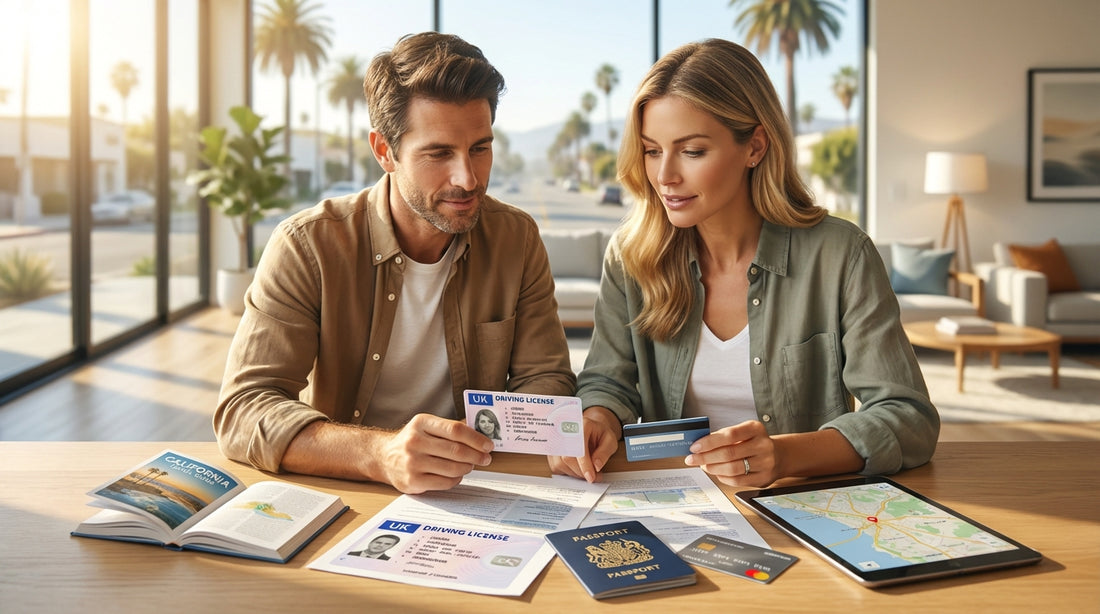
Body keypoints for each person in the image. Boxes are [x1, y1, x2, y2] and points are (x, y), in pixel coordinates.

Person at [549, 39, 938, 487]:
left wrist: (784, 455)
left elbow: (909, 418)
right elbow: (608, 382)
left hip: (799, 504)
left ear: (754, 147)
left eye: (692, 151)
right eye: (652, 150)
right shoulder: (631, 255)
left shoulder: (840, 255)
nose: (664, 175)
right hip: (675, 503)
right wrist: (598, 417)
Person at [215, 32, 575, 494]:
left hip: (476, 486)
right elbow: (244, 409)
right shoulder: (308, 245)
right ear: (385, 151)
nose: (467, 178)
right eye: (438, 153)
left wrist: (490, 439)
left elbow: (545, 378)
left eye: (479, 149)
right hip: (352, 486)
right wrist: (380, 454)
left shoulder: (516, 237)